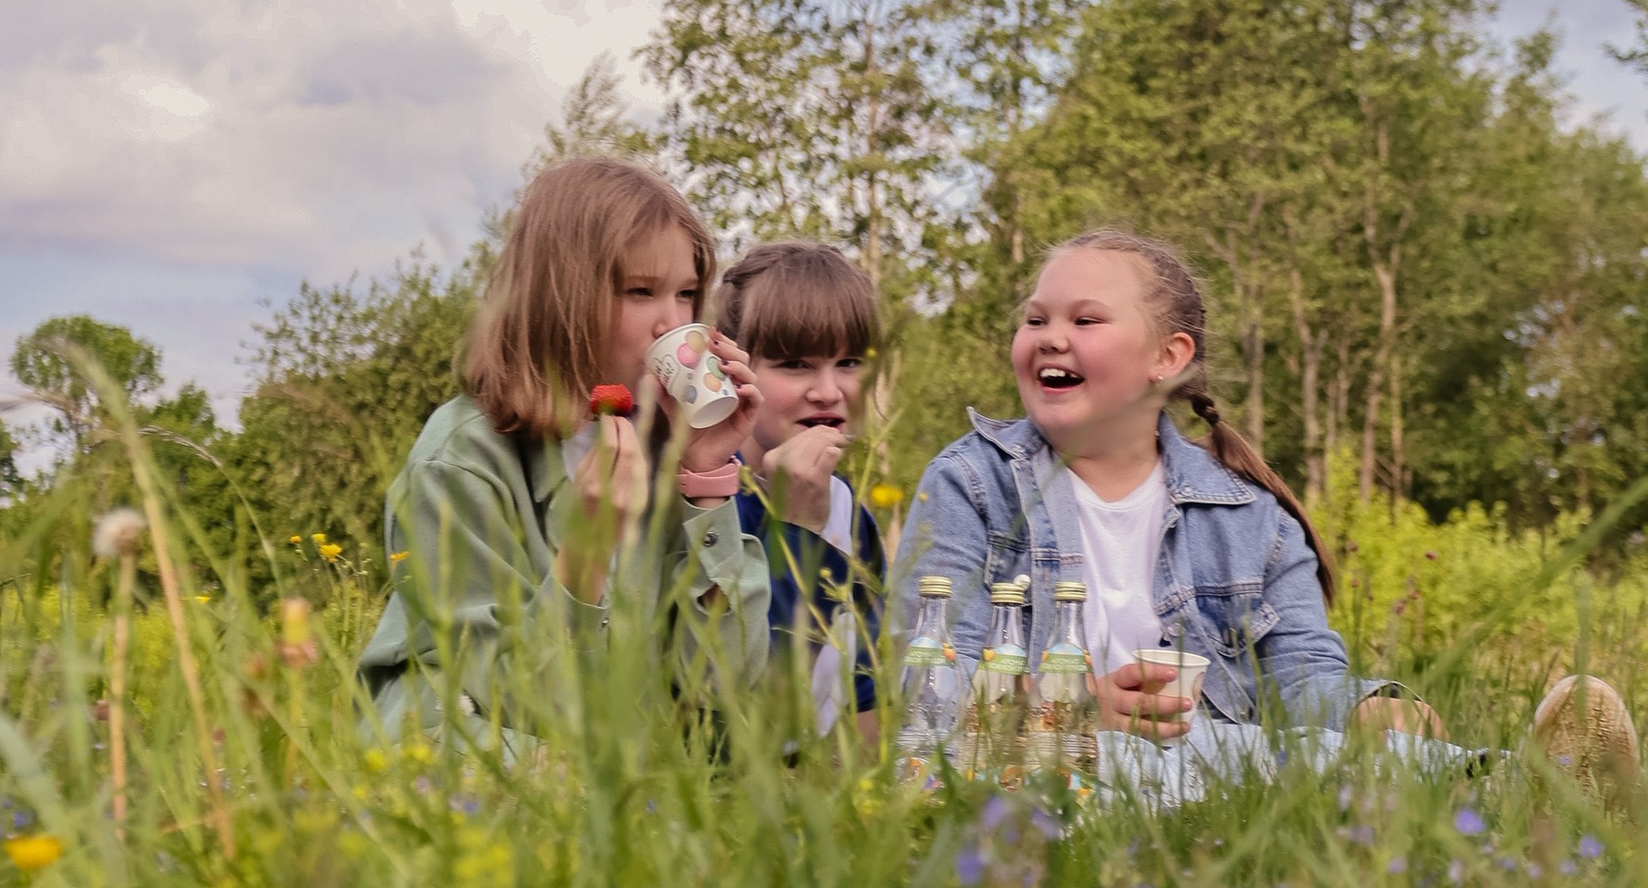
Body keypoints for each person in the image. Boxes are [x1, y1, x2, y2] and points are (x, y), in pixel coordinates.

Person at [892, 227, 1428, 744]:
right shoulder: (970, 484)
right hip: (1030, 777)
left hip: (1203, 780)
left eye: (1085, 320)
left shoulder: (1251, 517)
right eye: (1035, 319)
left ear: (1167, 358)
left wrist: (1369, 708)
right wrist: (1071, 708)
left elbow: (1300, 680)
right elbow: (924, 680)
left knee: (1414, 760)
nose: (1051, 337)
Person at [356, 155, 769, 740]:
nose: (671, 323)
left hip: (612, 763)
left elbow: (721, 688)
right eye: (640, 291)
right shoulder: (461, 457)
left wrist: (707, 479)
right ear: (560, 299)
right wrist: (588, 550)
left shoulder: (666, 446)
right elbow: (510, 699)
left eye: (685, 295)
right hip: (469, 747)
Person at [714, 239, 891, 735]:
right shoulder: (701, 503)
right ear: (731, 368)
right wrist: (796, 532)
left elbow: (865, 699)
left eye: (850, 363)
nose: (829, 391)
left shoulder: (847, 510)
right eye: (795, 364)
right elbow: (743, 720)